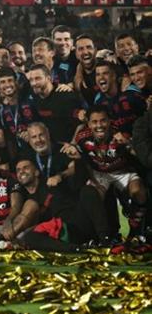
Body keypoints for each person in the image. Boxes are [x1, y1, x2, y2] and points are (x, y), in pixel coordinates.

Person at [74, 105, 147, 238]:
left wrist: (128, 144)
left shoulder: (120, 135)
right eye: (94, 122)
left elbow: (139, 156)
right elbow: (83, 160)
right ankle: (102, 237)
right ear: (88, 124)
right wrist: (94, 179)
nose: (99, 125)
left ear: (109, 121)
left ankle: (137, 231)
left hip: (122, 171)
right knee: (91, 197)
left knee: (139, 191)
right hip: (100, 173)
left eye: (103, 120)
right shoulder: (81, 138)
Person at [15, 158, 113, 251]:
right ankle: (77, 249)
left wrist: (61, 175)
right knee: (29, 237)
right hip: (64, 232)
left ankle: (105, 240)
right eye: (18, 170)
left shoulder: (52, 182)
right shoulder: (27, 201)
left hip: (81, 221)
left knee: (87, 191)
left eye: (26, 168)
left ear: (36, 172)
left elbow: (79, 173)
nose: (21, 171)